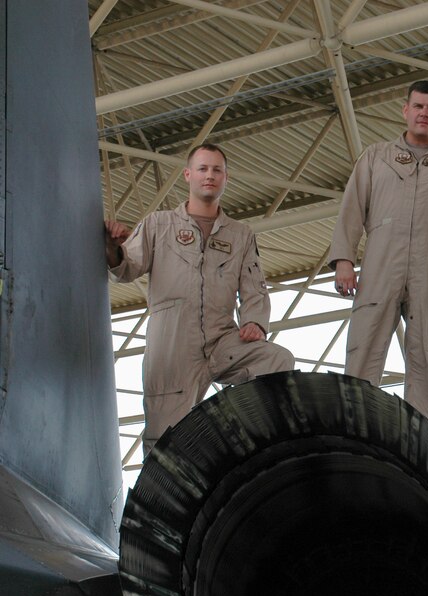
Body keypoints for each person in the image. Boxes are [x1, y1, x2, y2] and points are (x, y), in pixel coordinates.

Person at [105, 143, 294, 455]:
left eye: (217, 170)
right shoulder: (158, 224)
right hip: (173, 343)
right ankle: (159, 499)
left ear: (225, 178)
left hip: (222, 338)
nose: (210, 176)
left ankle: (244, 444)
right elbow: (126, 267)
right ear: (188, 175)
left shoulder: (240, 234)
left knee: (277, 360)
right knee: (164, 441)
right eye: (203, 169)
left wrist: (254, 322)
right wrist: (111, 245)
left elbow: (254, 286)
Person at [329, 79, 428, 429]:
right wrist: (344, 261)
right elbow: (351, 210)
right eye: (418, 106)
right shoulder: (376, 158)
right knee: (363, 352)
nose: (424, 113)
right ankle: (352, 431)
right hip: (379, 270)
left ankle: (424, 439)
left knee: (427, 359)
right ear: (405, 110)